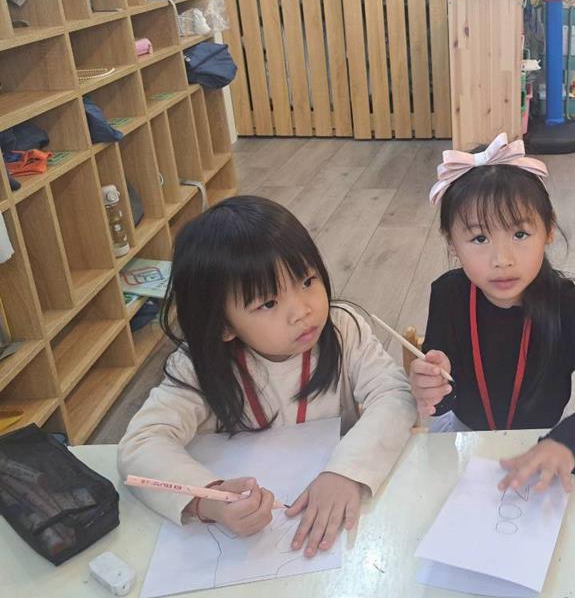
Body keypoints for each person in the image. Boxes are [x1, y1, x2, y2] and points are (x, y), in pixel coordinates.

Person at [117, 196, 416, 556]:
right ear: (223, 324)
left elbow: (394, 395)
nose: (302, 310)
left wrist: (347, 472)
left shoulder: (343, 330)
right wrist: (208, 498)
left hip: (339, 526)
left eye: (307, 280)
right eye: (269, 303)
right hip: (248, 548)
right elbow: (141, 444)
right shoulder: (197, 367)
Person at [410, 134, 575, 494]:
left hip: (543, 444)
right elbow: (445, 399)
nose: (502, 259)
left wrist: (567, 442)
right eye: (479, 239)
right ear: (452, 243)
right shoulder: (448, 294)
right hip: (464, 439)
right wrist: (431, 388)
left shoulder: (567, 306)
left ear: (548, 229)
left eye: (520, 234)